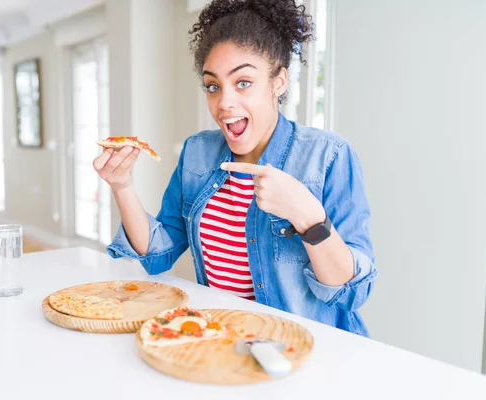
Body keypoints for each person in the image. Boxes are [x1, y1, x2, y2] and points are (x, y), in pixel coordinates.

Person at [92, 0, 377, 337]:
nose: (224, 102)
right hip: (225, 343)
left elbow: (351, 292)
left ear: (278, 81)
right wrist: (121, 186)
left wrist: (308, 218)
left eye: (243, 82)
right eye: (213, 86)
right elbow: (157, 254)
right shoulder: (197, 151)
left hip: (308, 350)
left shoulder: (328, 156)